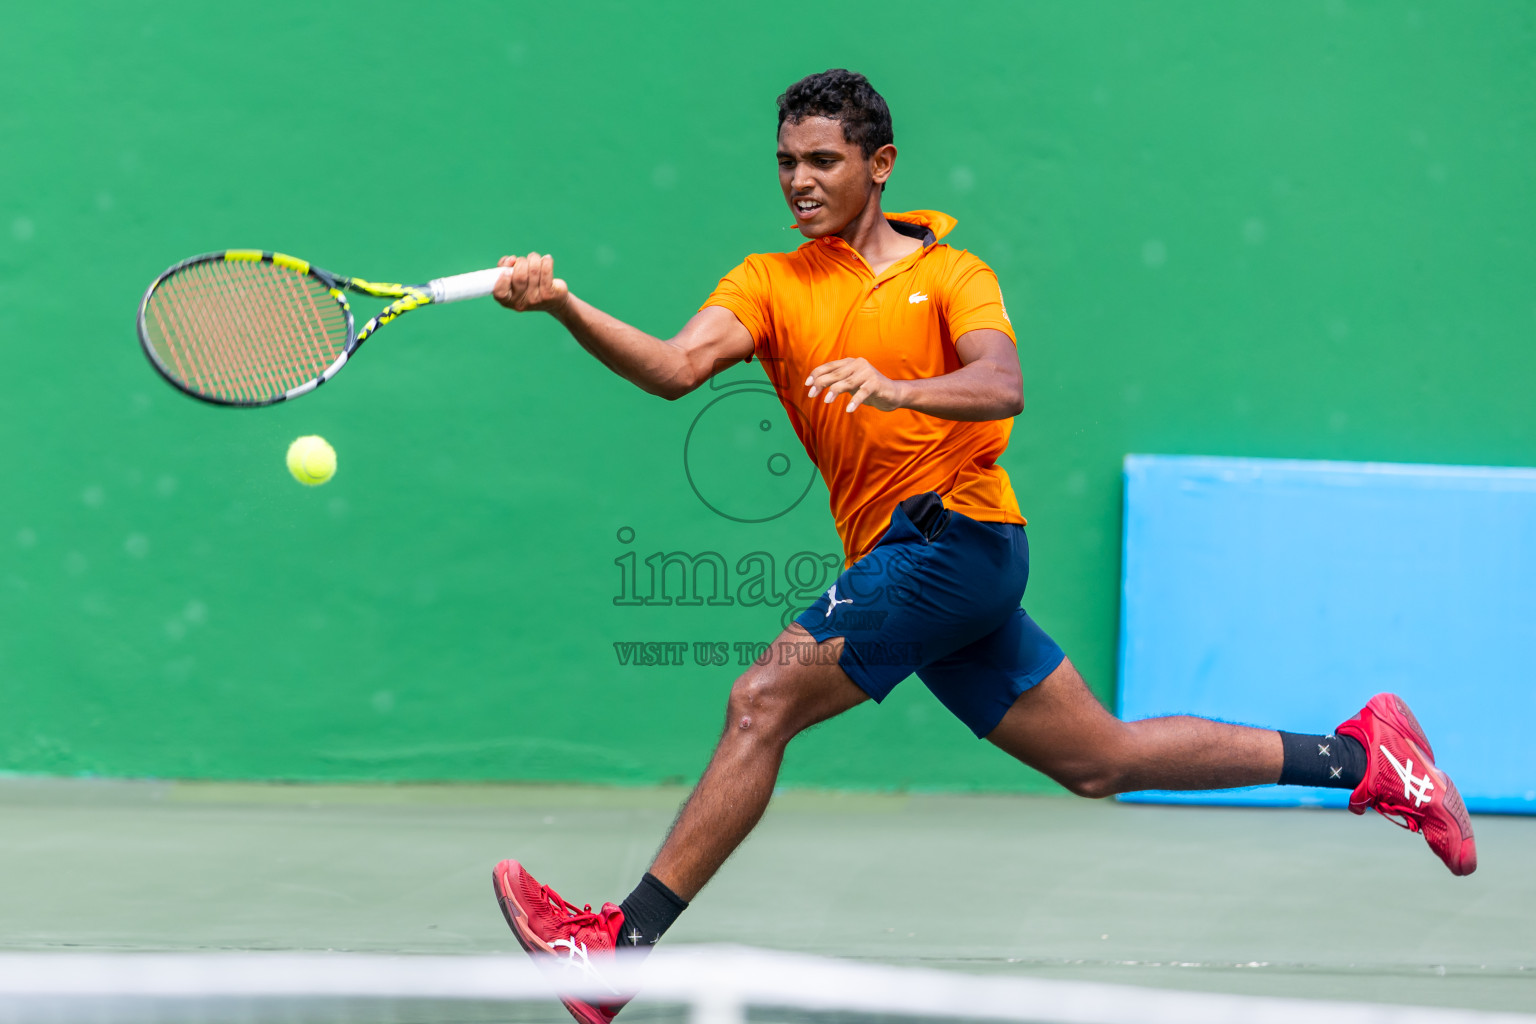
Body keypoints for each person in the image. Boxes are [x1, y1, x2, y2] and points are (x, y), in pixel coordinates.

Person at [488, 69, 1476, 1024]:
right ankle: (1364, 757)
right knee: (1101, 759)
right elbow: (673, 367)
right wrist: (564, 306)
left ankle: (615, 947)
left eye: (824, 160)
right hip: (922, 562)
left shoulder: (953, 274)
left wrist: (897, 386)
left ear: (882, 165)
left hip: (956, 535)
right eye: (787, 161)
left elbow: (1001, 384)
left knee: (761, 700)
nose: (800, 181)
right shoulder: (769, 282)